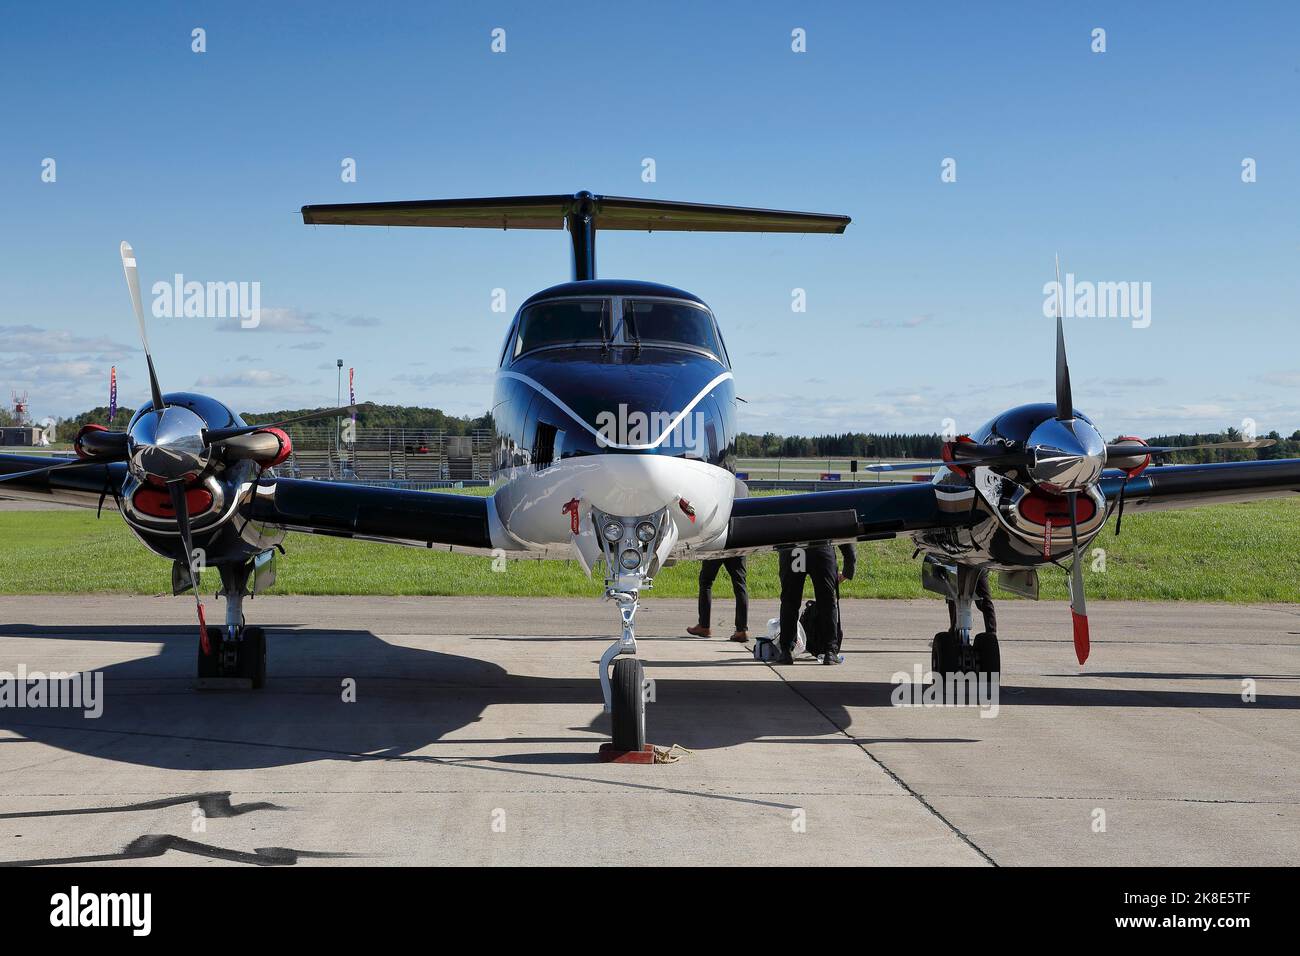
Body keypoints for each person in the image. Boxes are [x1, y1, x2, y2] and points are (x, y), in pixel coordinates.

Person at [775, 543, 856, 665]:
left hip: (793, 549)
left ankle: (786, 650)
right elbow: (839, 527)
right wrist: (849, 567)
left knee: (790, 602)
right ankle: (830, 651)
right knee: (827, 602)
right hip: (820, 548)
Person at [686, 557, 749, 641]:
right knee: (740, 584)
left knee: (706, 582)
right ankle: (741, 630)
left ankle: (704, 626)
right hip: (738, 546)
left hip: (719, 547)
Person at [946, 569, 997, 636]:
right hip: (958, 569)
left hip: (979, 569)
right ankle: (953, 631)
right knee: (953, 596)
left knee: (984, 601)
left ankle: (991, 633)